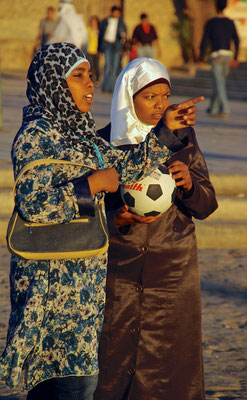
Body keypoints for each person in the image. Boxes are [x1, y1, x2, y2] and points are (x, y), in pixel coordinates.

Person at [0, 43, 197, 400]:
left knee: (82, 385)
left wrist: (165, 131)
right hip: (50, 293)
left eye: (91, 75)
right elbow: (33, 204)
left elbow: (126, 167)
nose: (90, 83)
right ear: (53, 83)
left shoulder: (84, 137)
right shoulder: (36, 136)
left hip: (86, 296)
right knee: (61, 387)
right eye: (78, 76)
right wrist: (90, 185)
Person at [94, 58, 218, 400]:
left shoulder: (182, 138)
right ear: (128, 96)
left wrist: (190, 186)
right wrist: (117, 218)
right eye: (150, 97)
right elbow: (91, 210)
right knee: (113, 360)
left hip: (172, 271)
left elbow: (207, 205)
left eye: (165, 96)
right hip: (119, 271)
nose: (161, 104)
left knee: (170, 365)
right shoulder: (102, 143)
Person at [199, 0, 240, 118]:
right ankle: (213, 108)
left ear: (216, 7)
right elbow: (236, 40)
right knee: (220, 82)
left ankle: (225, 109)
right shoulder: (230, 22)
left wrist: (201, 57)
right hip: (228, 56)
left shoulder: (211, 22)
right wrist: (236, 57)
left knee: (219, 83)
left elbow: (205, 40)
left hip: (216, 56)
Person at [98, 5, 127, 93]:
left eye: (118, 13)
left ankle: (110, 87)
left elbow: (125, 36)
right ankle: (105, 86)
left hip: (117, 46)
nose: (116, 14)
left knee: (114, 66)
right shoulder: (105, 21)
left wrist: (124, 48)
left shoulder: (121, 22)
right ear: (112, 12)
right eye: (115, 12)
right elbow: (100, 35)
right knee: (107, 65)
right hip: (107, 44)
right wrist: (99, 48)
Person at [86, 16, 100, 86]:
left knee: (96, 66)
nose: (93, 23)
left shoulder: (99, 30)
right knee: (90, 66)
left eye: (94, 22)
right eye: (92, 22)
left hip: (96, 50)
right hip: (89, 50)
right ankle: (90, 79)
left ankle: (97, 79)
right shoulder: (88, 29)